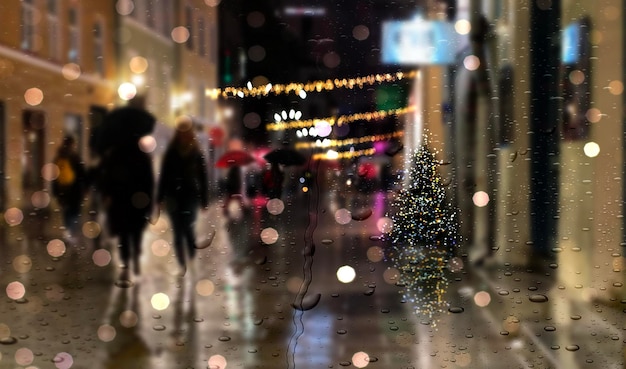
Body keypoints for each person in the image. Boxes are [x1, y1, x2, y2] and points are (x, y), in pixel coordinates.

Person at [98, 98, 155, 282]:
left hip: (120, 199)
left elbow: (106, 177)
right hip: (136, 199)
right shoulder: (141, 155)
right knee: (134, 232)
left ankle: (127, 264)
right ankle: (134, 258)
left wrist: (106, 194)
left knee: (124, 233)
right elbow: (149, 180)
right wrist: (150, 199)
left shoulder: (114, 154)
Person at [157, 117, 209, 276]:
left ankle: (192, 258)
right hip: (173, 196)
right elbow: (164, 176)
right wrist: (159, 199)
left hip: (190, 195)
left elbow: (203, 177)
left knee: (188, 229)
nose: (184, 135)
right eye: (181, 132)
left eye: (186, 132)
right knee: (177, 232)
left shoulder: (196, 153)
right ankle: (182, 264)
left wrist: (204, 200)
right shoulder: (171, 152)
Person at [52, 135, 86, 242]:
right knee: (74, 212)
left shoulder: (58, 157)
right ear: (72, 144)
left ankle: (67, 231)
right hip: (74, 190)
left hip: (62, 191)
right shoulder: (75, 157)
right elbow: (82, 175)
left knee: (66, 211)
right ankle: (71, 232)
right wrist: (84, 189)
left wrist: (55, 192)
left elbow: (54, 177)